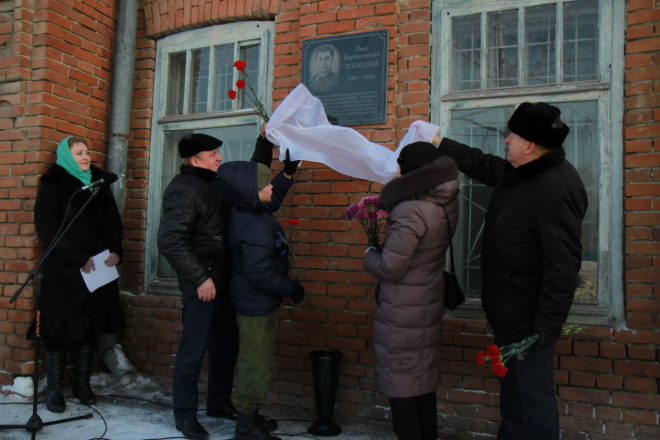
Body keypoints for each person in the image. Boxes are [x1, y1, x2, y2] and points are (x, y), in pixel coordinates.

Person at [433, 102, 588, 440]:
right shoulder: (516, 171)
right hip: (505, 313)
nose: (505, 140)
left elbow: (563, 268)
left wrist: (545, 328)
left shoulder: (557, 188)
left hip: (530, 322)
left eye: (512, 135)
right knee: (513, 398)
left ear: (530, 145)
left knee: (534, 400)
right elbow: (478, 162)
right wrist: (437, 142)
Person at [157, 127, 274, 440]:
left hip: (227, 282)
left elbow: (250, 177)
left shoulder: (220, 182)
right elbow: (170, 240)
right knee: (193, 352)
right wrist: (199, 278)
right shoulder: (182, 189)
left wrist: (264, 142)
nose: (220, 158)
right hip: (202, 285)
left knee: (225, 347)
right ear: (196, 160)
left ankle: (219, 403)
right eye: (213, 155)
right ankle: (184, 415)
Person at [362, 142, 460, 440]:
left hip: (403, 309)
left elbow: (391, 267)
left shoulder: (409, 210)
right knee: (420, 381)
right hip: (428, 300)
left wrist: (369, 254)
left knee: (401, 385)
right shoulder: (444, 203)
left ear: (410, 171)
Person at [33, 136, 127, 413]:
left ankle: (82, 384)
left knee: (89, 324)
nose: (85, 157)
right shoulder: (53, 184)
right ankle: (54, 389)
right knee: (59, 327)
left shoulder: (99, 183)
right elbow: (46, 227)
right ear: (65, 156)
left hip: (97, 268)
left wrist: (116, 250)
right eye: (78, 153)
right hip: (64, 268)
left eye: (87, 152)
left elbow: (113, 221)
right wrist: (76, 257)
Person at [217, 151, 304, 440]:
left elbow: (271, 198)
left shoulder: (249, 208)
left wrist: (287, 174)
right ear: (251, 193)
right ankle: (245, 427)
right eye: (264, 184)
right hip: (256, 303)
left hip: (256, 300)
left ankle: (250, 415)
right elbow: (260, 273)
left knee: (258, 360)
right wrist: (291, 289)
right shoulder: (253, 225)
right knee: (256, 363)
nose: (270, 188)